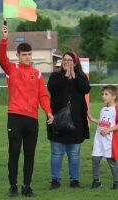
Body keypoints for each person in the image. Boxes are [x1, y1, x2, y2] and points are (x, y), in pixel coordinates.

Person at [0, 24, 54, 197]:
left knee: (30, 154)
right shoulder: (11, 69)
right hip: (15, 118)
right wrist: (4, 39)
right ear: (18, 55)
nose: (27, 58)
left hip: (32, 120)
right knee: (14, 152)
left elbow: (43, 96)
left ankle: (27, 186)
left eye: (29, 54)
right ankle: (13, 185)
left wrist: (48, 112)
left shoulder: (37, 74)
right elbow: (1, 58)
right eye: (24, 55)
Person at [47, 51, 90, 189]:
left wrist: (75, 77)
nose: (66, 62)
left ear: (75, 63)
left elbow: (86, 89)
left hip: (76, 123)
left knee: (74, 154)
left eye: (70, 60)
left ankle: (75, 180)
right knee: (56, 153)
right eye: (64, 59)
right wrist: (65, 77)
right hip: (59, 121)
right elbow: (52, 88)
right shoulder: (55, 76)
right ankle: (55, 180)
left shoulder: (81, 77)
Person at [88, 85, 118, 189]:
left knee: (112, 163)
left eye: (106, 94)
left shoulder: (116, 109)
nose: (103, 96)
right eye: (102, 94)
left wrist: (109, 130)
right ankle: (96, 182)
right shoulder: (103, 109)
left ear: (114, 96)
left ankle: (116, 183)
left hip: (109, 141)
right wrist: (92, 119)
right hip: (99, 140)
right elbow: (102, 123)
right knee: (95, 159)